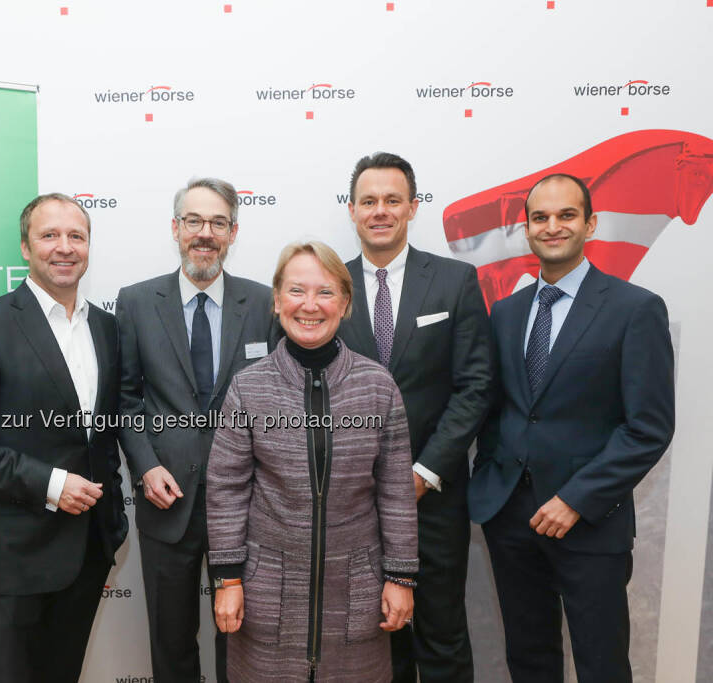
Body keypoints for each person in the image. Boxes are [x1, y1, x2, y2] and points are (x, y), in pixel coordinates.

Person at [468, 174, 675, 683]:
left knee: (601, 663)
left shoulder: (635, 309)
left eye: (566, 215)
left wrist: (577, 499)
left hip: (590, 522)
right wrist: (490, 484)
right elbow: (500, 410)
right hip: (511, 520)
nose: (552, 226)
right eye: (540, 217)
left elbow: (648, 427)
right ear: (527, 229)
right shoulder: (508, 313)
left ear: (590, 224)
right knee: (529, 658)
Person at [0, 193, 127, 683]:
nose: (64, 247)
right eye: (49, 235)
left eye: (76, 236)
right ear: (25, 247)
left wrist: (114, 516)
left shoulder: (105, 327)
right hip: (16, 551)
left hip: (89, 548)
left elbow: (102, 432)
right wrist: (51, 483)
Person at [207, 241, 419, 682]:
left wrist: (400, 578)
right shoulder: (249, 387)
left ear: (345, 303)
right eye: (296, 290)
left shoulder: (378, 386)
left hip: (357, 589)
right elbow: (227, 488)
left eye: (325, 292)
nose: (309, 305)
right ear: (277, 300)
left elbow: (397, 490)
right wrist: (227, 580)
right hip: (267, 590)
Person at [336, 152, 493, 683]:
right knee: (376, 643)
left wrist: (424, 473)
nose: (380, 211)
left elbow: (475, 386)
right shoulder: (328, 290)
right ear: (352, 210)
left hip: (434, 500)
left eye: (392, 200)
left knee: (441, 637)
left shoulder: (454, 281)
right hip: (351, 505)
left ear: (413, 207)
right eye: (369, 201)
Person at [116, 177, 277, 682]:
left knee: (243, 637)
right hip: (167, 498)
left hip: (247, 502)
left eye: (217, 222)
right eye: (194, 221)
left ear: (233, 232)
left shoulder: (263, 302)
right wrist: (145, 467)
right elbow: (124, 399)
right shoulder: (137, 302)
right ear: (175, 228)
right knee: (170, 640)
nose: (204, 233)